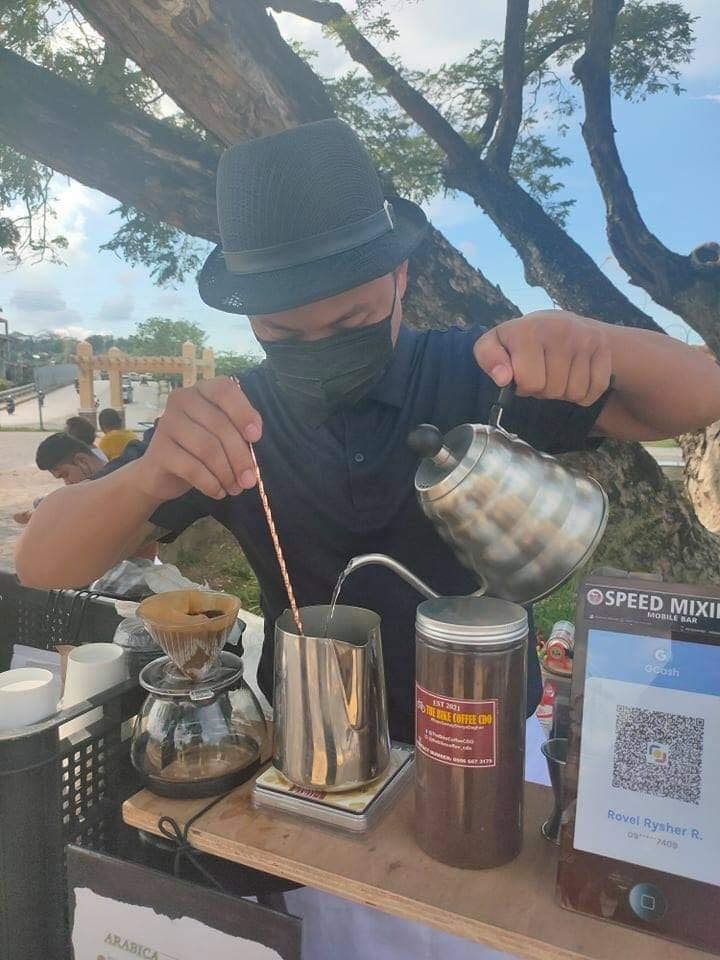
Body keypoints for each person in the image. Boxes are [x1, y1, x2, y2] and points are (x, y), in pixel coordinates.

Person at [16, 118, 720, 745]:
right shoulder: (232, 424)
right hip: (311, 742)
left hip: (488, 737)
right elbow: (44, 565)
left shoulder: (484, 372)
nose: (321, 348)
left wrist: (592, 340)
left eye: (349, 324)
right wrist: (146, 476)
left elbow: (700, 394)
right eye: (284, 334)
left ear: (401, 276)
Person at [31, 432, 157, 560]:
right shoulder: (106, 484)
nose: (67, 483)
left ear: (82, 461)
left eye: (65, 474)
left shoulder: (123, 484)